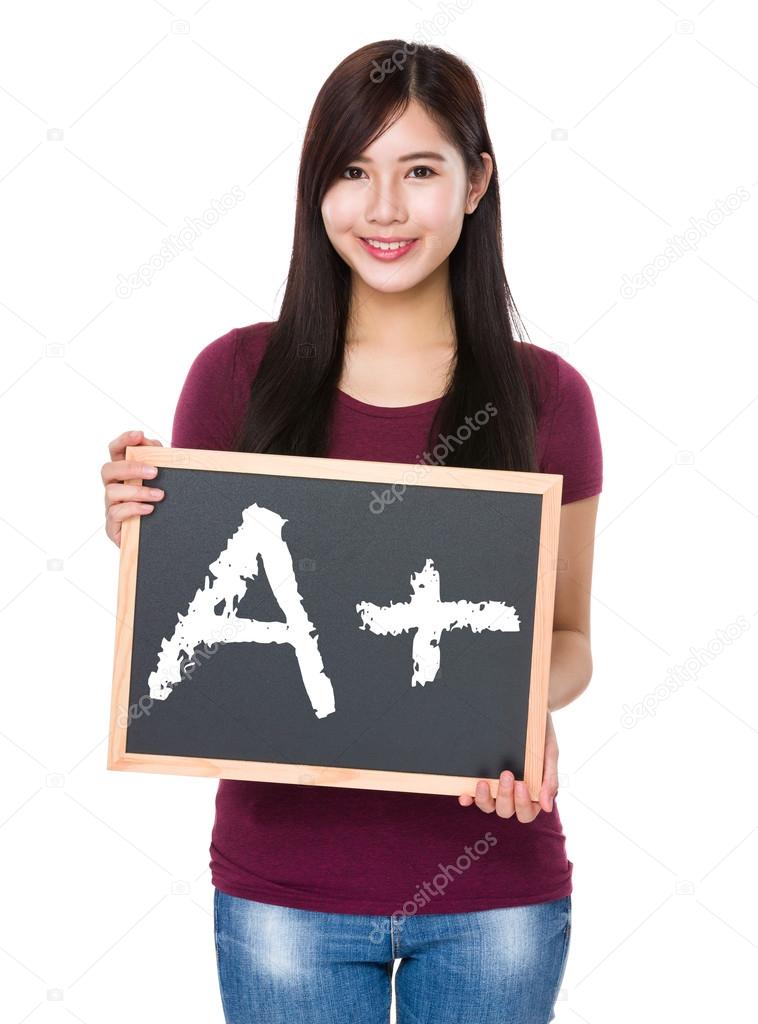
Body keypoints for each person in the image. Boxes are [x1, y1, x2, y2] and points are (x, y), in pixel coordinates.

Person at [101, 39, 602, 1024]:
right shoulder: (232, 377)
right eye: (351, 170)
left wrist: (509, 707)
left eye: (418, 170)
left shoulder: (546, 396)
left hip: (491, 884)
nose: (381, 208)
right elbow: (208, 633)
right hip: (282, 885)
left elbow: (571, 639)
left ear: (473, 184)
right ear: (315, 188)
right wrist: (142, 539)